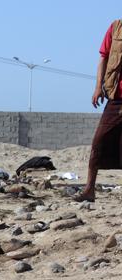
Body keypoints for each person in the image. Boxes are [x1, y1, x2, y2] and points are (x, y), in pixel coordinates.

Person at [75, 19, 122, 202]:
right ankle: (89, 189)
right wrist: (97, 87)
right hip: (115, 97)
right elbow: (103, 57)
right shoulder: (116, 28)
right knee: (98, 141)